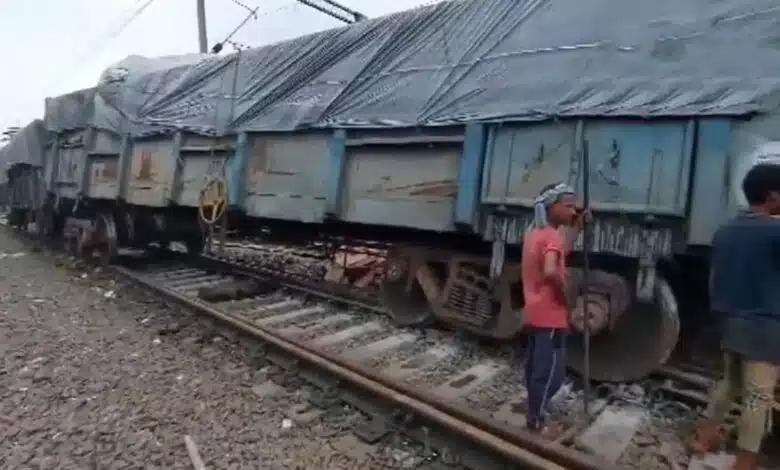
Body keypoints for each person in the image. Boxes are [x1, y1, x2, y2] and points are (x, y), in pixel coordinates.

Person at [687, 162, 780, 470]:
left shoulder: (725, 231)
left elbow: (716, 279)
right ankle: (745, 461)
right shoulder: (775, 232)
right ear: (773, 197)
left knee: (730, 384)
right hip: (764, 326)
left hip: (730, 321)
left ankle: (703, 437)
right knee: (758, 397)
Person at [520, 182, 586, 438]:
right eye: (568, 206)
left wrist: (577, 227)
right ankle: (536, 419)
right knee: (551, 373)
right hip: (551, 313)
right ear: (551, 206)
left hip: (535, 310)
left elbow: (560, 252)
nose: (572, 211)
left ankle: (535, 407)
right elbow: (550, 270)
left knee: (535, 366)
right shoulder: (551, 236)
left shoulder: (534, 232)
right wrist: (565, 296)